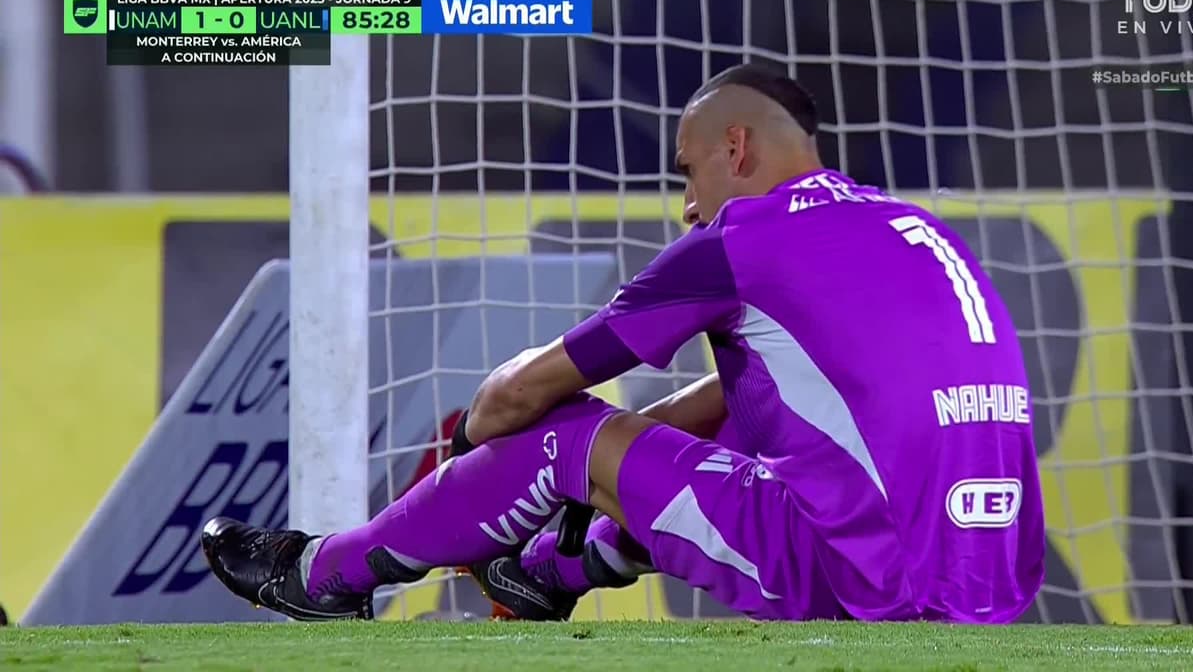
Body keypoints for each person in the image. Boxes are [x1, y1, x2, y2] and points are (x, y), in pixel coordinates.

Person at [202, 63, 1045, 623]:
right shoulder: (912, 228)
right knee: (738, 429)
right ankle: (548, 571)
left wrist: (483, 453)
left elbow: (516, 399)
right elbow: (759, 404)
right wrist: (618, 474)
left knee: (568, 436)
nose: (687, 204)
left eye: (687, 171)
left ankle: (319, 574)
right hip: (993, 578)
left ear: (736, 149)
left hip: (866, 580)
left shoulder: (740, 240)